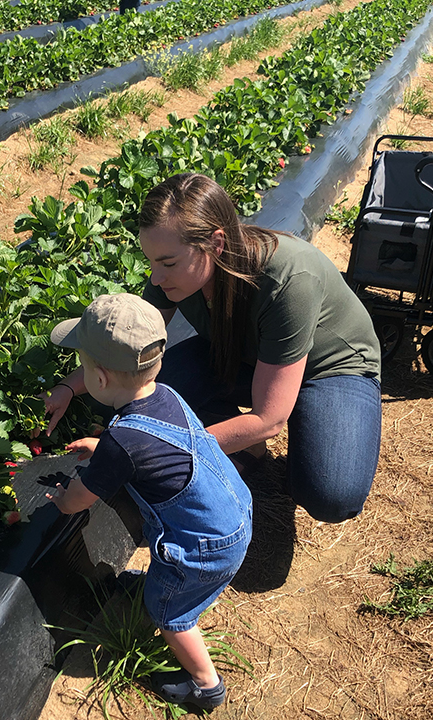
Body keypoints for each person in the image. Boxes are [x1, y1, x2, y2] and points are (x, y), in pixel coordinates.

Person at [41, 173, 382, 524]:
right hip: (246, 357)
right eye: (151, 262)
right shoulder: (170, 273)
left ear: (216, 244)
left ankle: (306, 422)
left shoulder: (288, 281)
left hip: (329, 369)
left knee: (329, 494)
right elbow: (125, 351)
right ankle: (247, 444)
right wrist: (67, 387)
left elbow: (269, 418)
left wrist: (140, 451)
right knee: (136, 388)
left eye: (168, 263)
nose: (156, 278)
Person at [46, 293, 252, 711]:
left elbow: (78, 501)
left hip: (201, 546)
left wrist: (60, 499)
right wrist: (104, 445)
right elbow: (153, 443)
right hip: (234, 513)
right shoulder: (168, 396)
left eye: (83, 366)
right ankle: (165, 590)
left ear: (99, 381)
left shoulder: (122, 441)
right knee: (174, 588)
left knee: (170, 616)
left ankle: (205, 685)